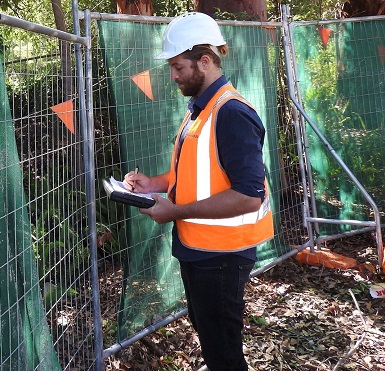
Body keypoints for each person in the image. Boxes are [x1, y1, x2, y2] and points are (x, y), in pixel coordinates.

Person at [123, 12, 274, 371]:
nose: (173, 76)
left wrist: (174, 211)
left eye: (178, 67)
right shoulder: (200, 109)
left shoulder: (232, 113)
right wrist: (154, 184)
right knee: (211, 335)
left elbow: (250, 194)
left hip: (221, 256)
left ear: (205, 61)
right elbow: (189, 174)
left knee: (223, 350)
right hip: (199, 250)